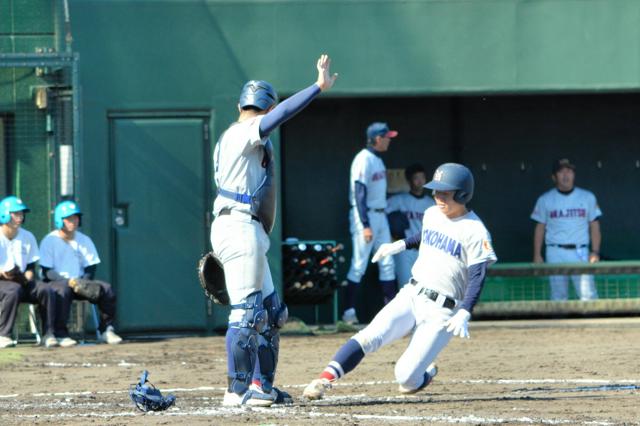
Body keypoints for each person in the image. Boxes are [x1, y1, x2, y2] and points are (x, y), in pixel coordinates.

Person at [303, 163, 497, 400]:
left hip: (442, 312)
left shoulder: (475, 230)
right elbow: (423, 237)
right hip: (412, 293)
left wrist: (465, 311)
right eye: (435, 191)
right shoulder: (432, 213)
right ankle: (323, 379)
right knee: (369, 335)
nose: (437, 197)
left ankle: (425, 373)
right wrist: (400, 245)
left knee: (405, 378)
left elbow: (478, 275)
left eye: (444, 193)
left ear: (462, 194)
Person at [210, 54, 337, 407]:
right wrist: (317, 87)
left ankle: (261, 388)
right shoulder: (245, 131)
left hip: (241, 228)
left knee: (272, 313)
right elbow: (278, 117)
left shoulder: (231, 135)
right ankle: (236, 391)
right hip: (238, 227)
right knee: (248, 313)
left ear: (240, 104)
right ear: (266, 108)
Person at [39, 201, 123, 345]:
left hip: (79, 283)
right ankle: (60, 334)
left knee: (106, 289)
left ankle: (106, 330)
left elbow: (90, 266)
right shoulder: (49, 240)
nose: (74, 221)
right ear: (60, 221)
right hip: (57, 282)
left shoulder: (84, 240)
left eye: (76, 217)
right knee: (62, 290)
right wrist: (68, 281)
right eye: (69, 218)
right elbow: (47, 271)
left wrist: (84, 282)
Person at [342, 121, 399, 325]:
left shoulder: (378, 160)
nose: (389, 141)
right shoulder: (363, 159)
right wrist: (365, 224)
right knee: (359, 264)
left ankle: (391, 313)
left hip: (380, 215)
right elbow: (359, 192)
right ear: (377, 138)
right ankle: (348, 313)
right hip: (364, 216)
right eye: (386, 137)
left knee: (387, 262)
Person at [531, 158, 601, 301]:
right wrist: (537, 254)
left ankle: (592, 324)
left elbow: (594, 226)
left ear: (573, 174)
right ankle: (558, 324)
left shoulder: (587, 197)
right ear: (554, 177)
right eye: (561, 171)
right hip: (555, 251)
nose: (566, 175)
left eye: (569, 171)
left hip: (580, 250)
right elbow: (540, 228)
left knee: (588, 295)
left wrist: (595, 251)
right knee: (558, 296)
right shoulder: (545, 199)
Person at [0, 196, 59, 348]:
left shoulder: (28, 236)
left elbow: (30, 266)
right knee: (13, 290)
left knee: (46, 289)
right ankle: (3, 335)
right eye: (16, 213)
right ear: (4, 214)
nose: (20, 217)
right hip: (3, 283)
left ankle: (49, 334)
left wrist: (27, 277)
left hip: (20, 282)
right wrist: (3, 273)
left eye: (22, 214)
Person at [386, 163, 435, 288]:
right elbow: (379, 212)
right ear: (409, 180)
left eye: (422, 178)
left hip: (425, 251)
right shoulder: (399, 200)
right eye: (416, 178)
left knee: (426, 289)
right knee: (405, 288)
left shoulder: (432, 204)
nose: (419, 181)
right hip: (404, 251)